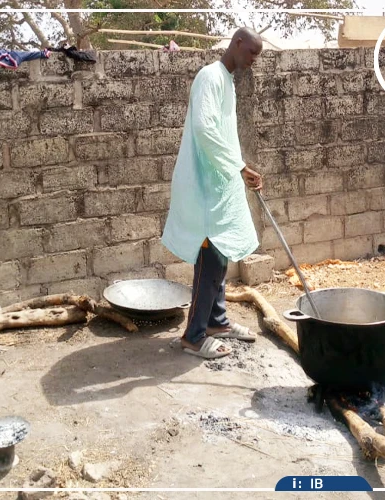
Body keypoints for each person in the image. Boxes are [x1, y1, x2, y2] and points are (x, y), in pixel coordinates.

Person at [161, 28, 266, 360]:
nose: (253, 60)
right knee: (209, 260)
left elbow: (221, 133)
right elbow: (205, 129)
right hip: (204, 187)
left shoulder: (227, 81)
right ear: (236, 44)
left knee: (220, 257)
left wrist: (236, 169)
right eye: (251, 52)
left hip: (218, 185)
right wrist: (238, 166)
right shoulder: (210, 77)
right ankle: (193, 336)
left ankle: (217, 322)